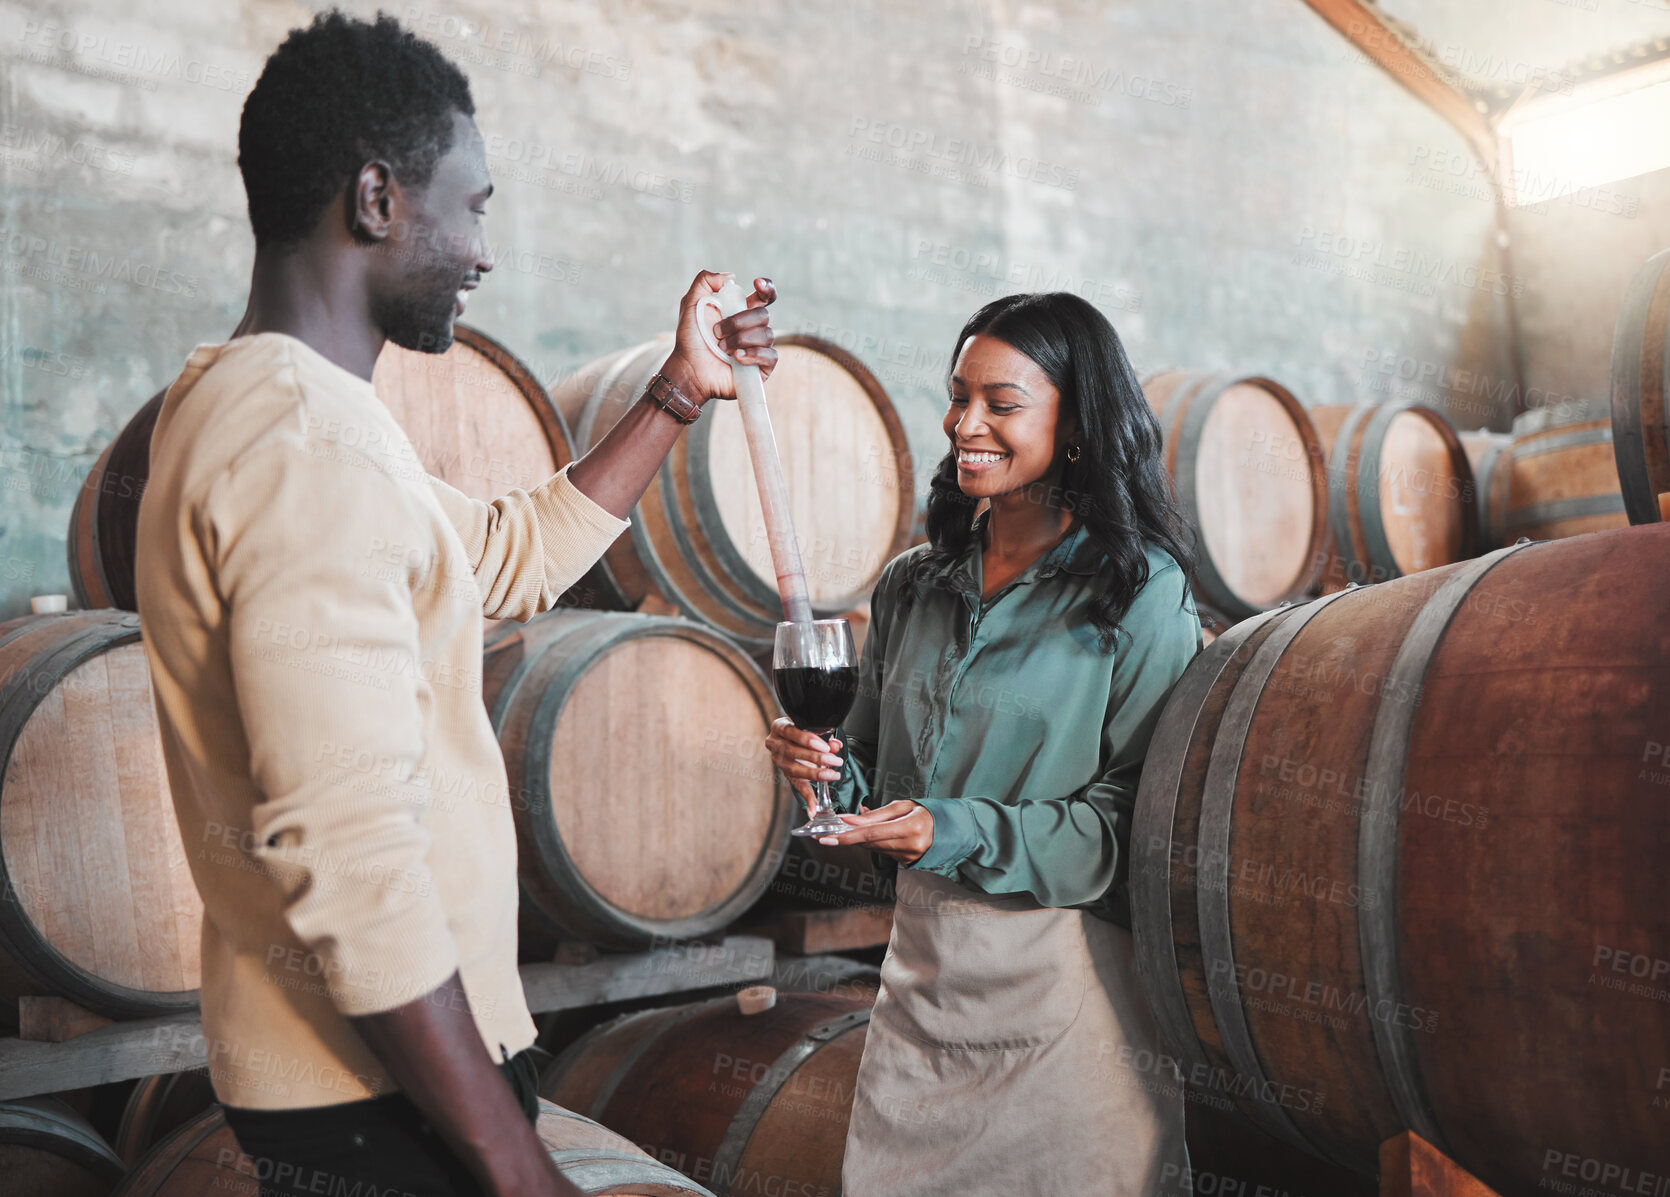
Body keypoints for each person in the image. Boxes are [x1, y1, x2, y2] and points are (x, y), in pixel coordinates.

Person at [134, 12, 776, 1197]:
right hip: (378, 1097)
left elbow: (497, 553)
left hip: (361, 1079)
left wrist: (678, 393)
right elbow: (349, 848)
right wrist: (514, 1163)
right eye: (471, 208)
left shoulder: (256, 402)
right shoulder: (303, 439)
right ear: (377, 200)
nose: (485, 253)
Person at [766, 291, 1202, 1195]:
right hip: (921, 994)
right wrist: (825, 775)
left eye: (1002, 404)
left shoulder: (1138, 591)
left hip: (1067, 1005)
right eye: (959, 395)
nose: (966, 423)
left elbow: (1130, 832)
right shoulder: (910, 588)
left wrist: (946, 828)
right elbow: (873, 787)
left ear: (1076, 421)